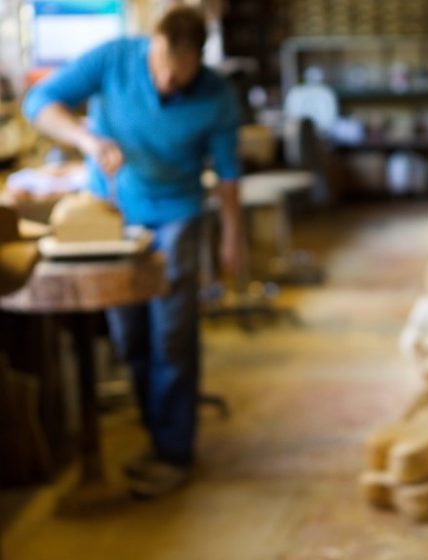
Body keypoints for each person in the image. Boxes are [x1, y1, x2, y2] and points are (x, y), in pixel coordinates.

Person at [23, 5, 244, 498]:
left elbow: (228, 173)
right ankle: (154, 432)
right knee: (129, 335)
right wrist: (87, 138)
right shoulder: (114, 59)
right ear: (152, 46)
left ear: (198, 62)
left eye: (179, 75)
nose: (167, 82)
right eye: (161, 69)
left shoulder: (215, 93)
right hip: (114, 215)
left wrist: (233, 235)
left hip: (179, 214)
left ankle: (173, 452)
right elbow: (39, 101)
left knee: (173, 333)